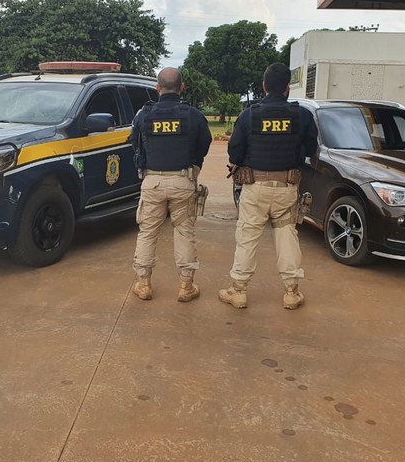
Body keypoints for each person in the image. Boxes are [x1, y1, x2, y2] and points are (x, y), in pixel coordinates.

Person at [218, 62, 318, 310]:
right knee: (287, 237)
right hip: (287, 187)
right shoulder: (302, 116)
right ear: (287, 88)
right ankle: (291, 292)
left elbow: (234, 152)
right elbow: (311, 149)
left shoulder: (249, 115)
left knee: (247, 237)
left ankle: (238, 291)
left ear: (264, 86)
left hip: (255, 188)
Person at [131, 67, 212, 302]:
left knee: (147, 233)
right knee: (185, 233)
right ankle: (186, 287)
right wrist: (194, 165)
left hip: (152, 181)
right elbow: (204, 144)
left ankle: (143, 284)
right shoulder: (193, 115)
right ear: (182, 87)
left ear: (158, 88)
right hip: (183, 181)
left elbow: (134, 144)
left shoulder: (143, 115)